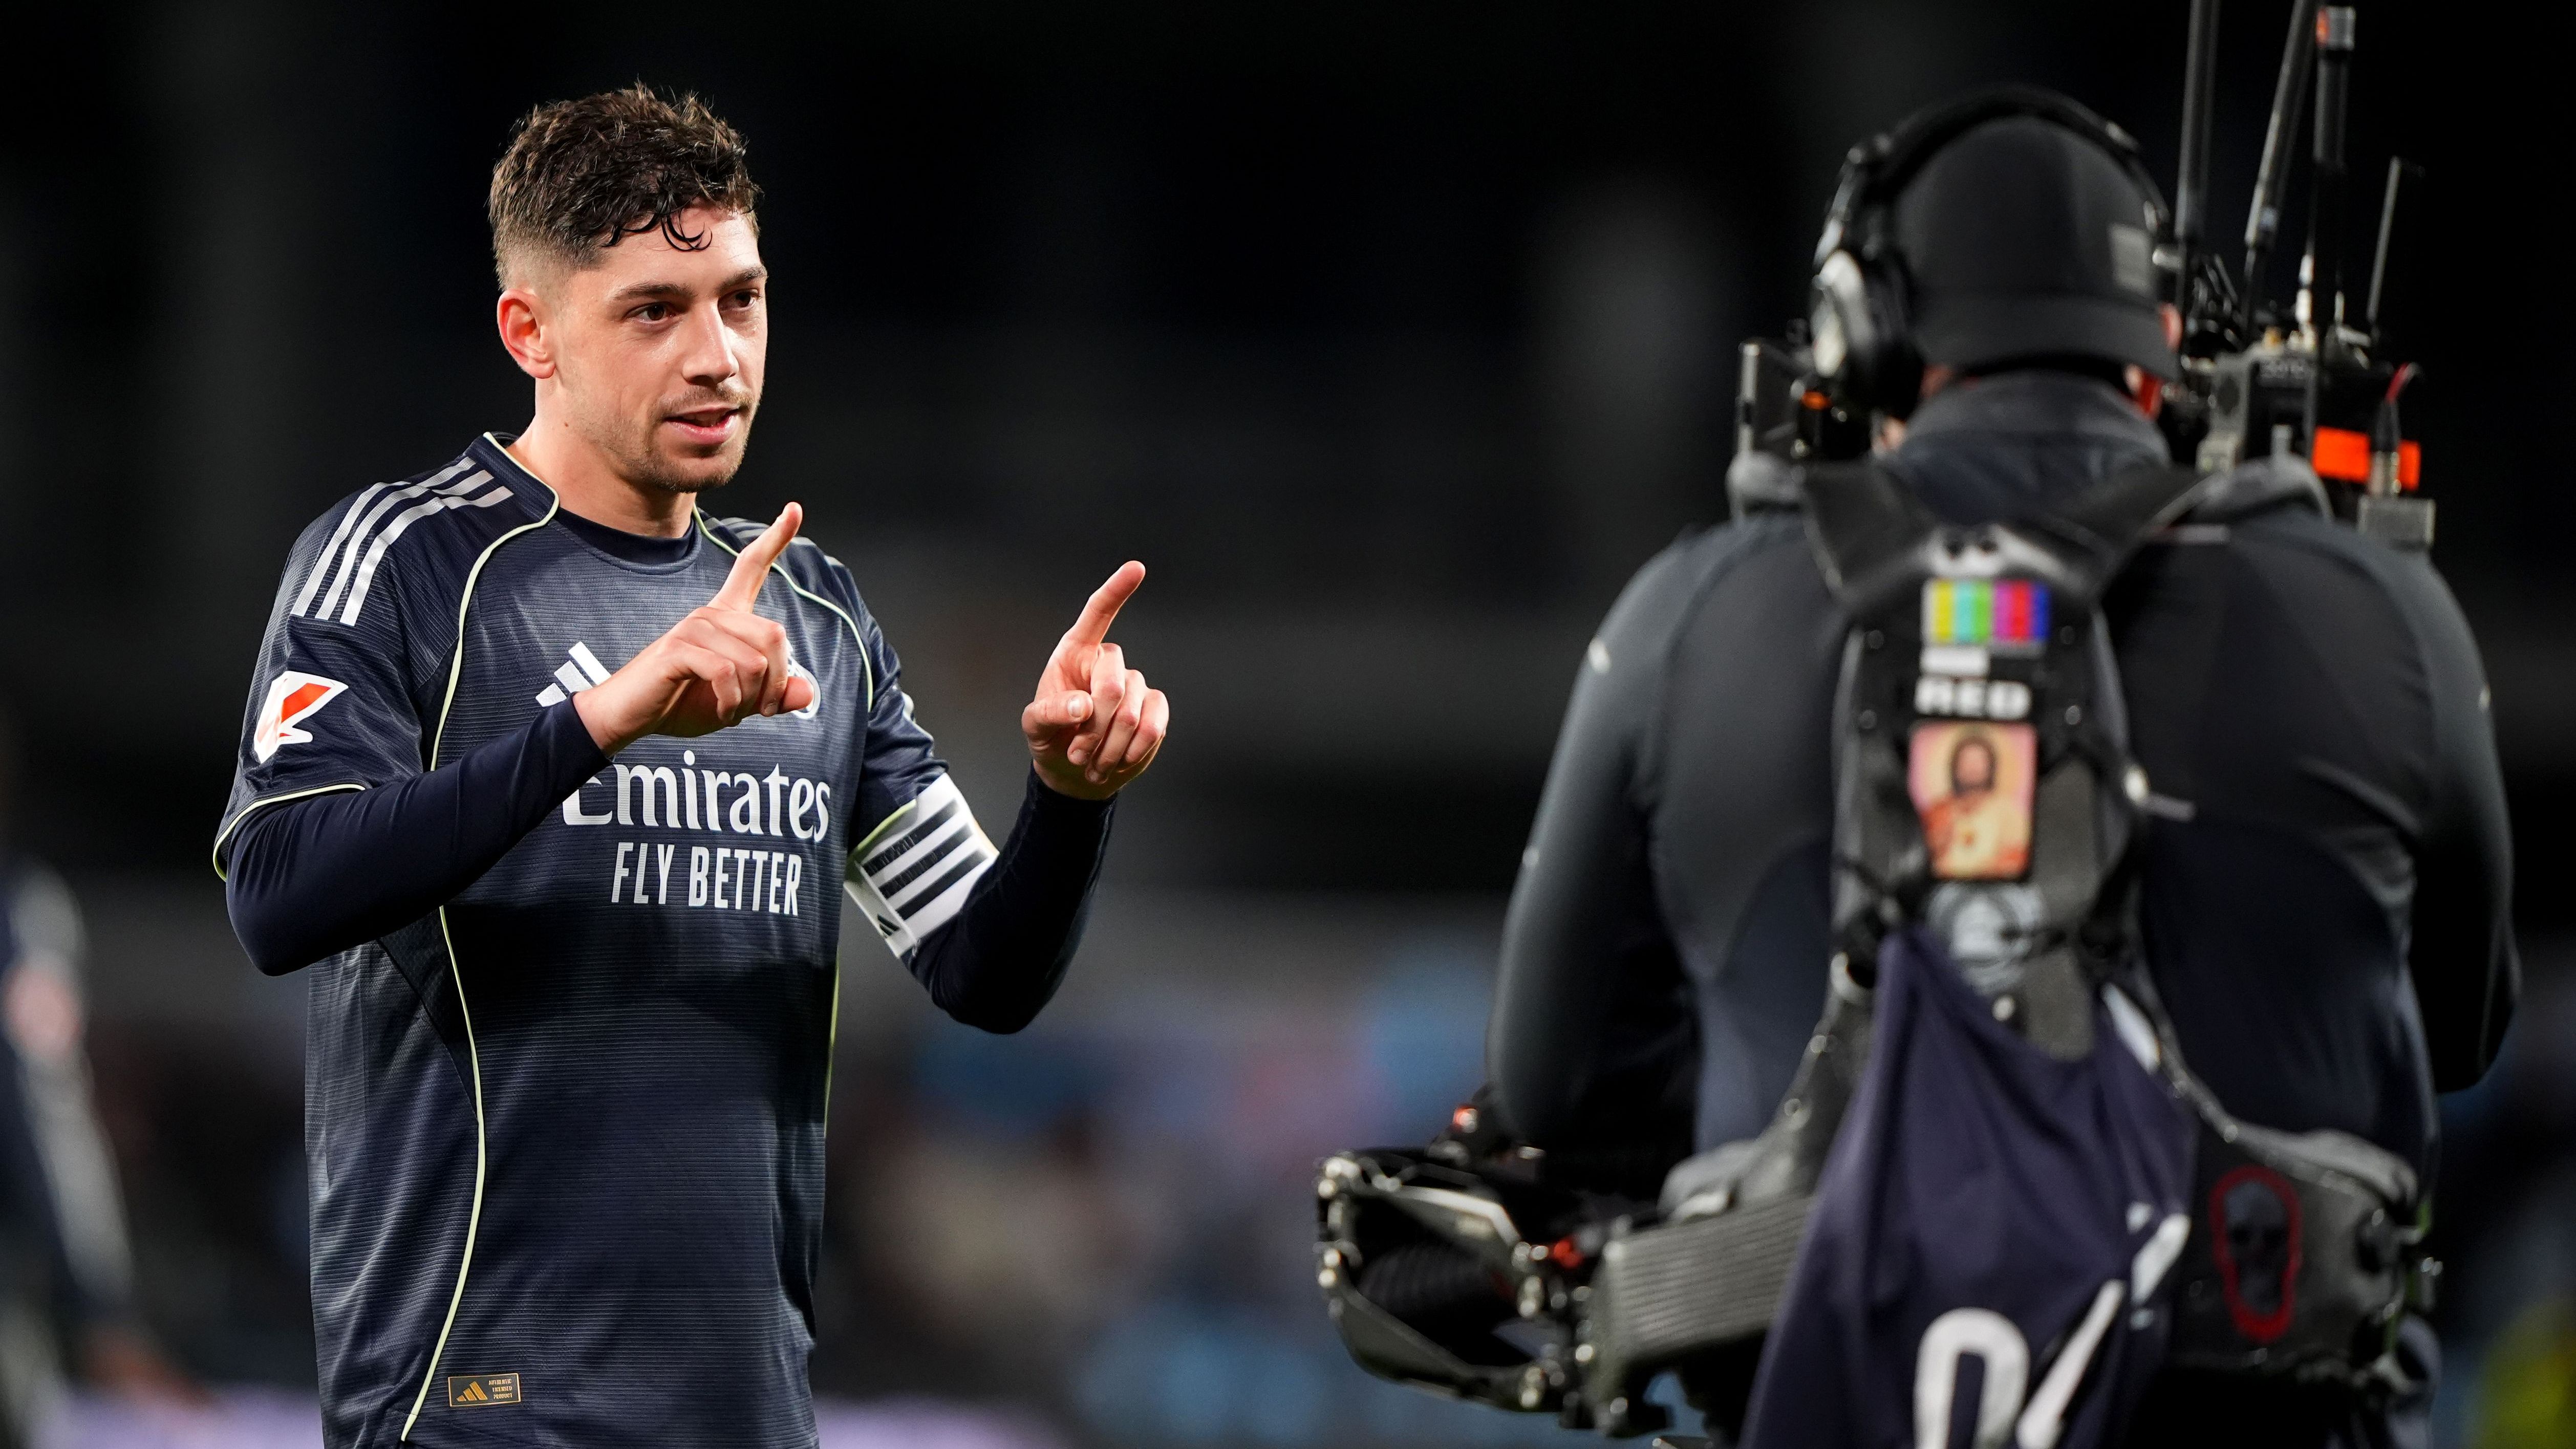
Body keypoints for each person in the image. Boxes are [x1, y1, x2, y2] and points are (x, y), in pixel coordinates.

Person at [1484, 92, 2514, 1443]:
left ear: (1861, 336)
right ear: (2161, 356)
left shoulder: (1685, 618)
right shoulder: (2387, 619)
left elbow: (1551, 1093)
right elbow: (2465, 1027)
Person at [212, 86, 1170, 1449]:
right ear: (531, 333)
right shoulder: (407, 562)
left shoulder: (815, 616)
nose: (718, 356)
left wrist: (1069, 805)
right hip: (480, 1407)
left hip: (745, 1410)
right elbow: (278, 891)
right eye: (655, 311)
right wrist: (600, 720)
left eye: (742, 300)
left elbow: (983, 971)